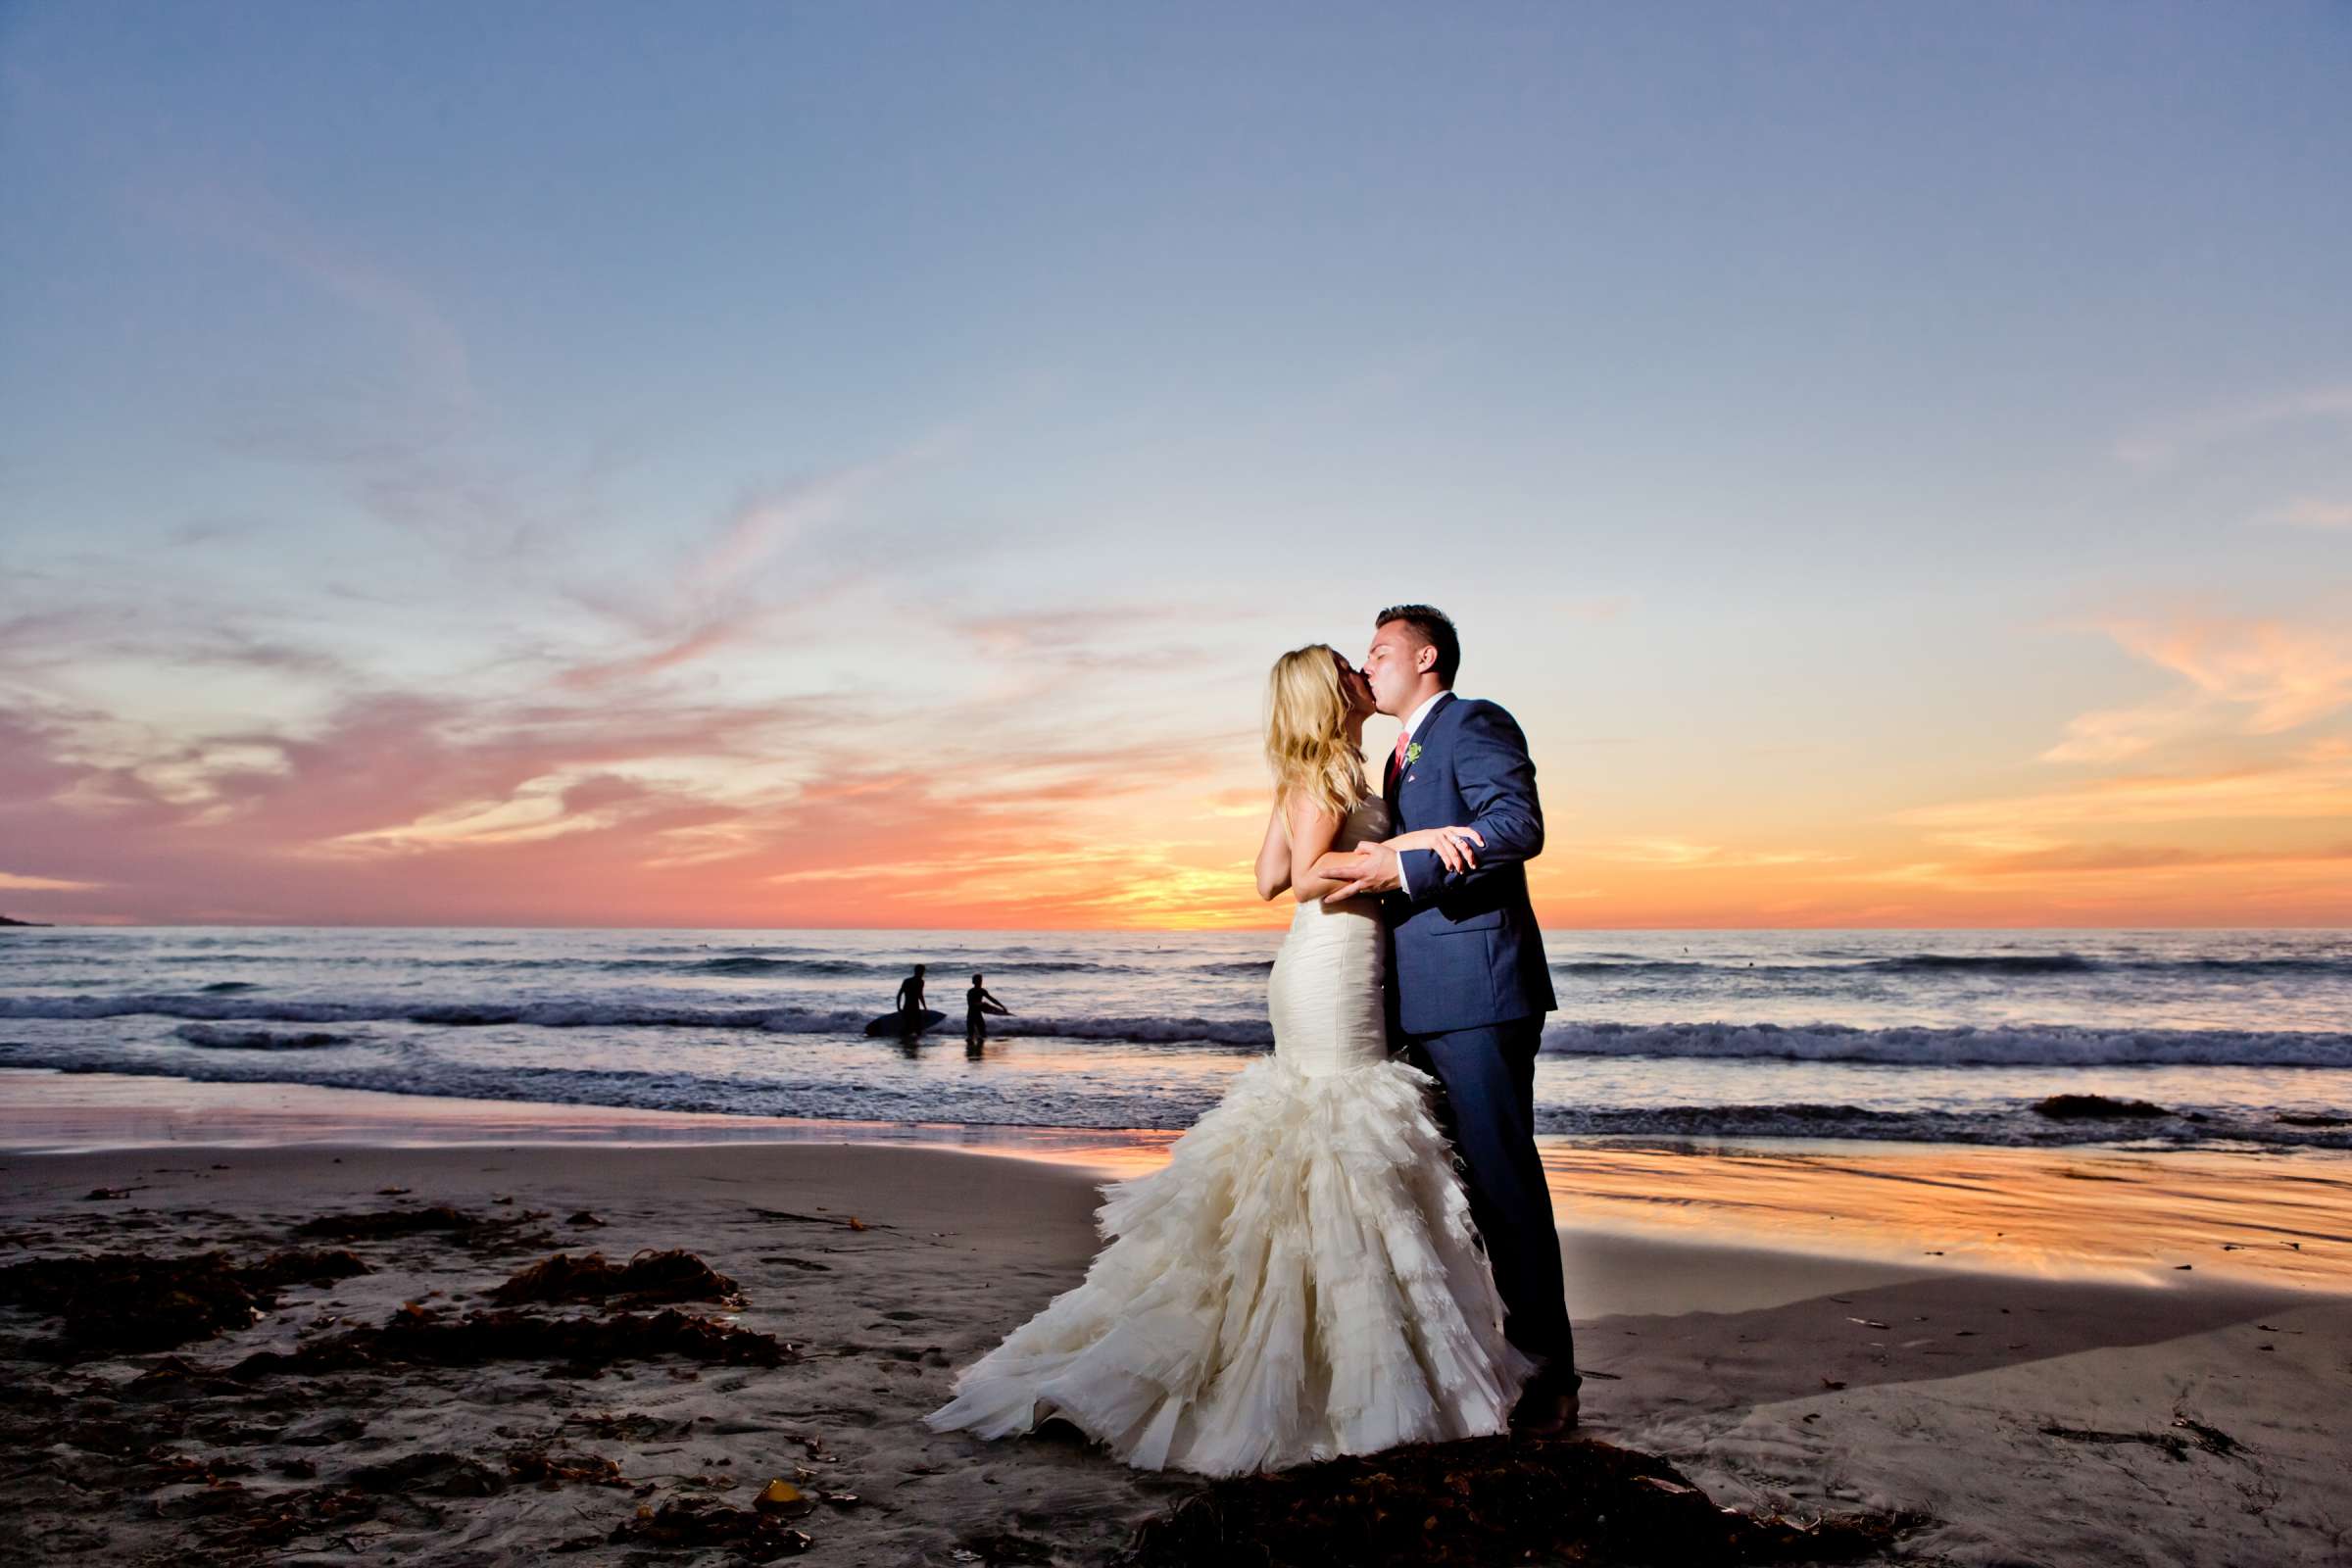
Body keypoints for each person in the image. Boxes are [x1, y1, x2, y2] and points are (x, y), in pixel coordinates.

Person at [925, 643, 1528, 1476]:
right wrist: (1394, 854)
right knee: (1337, 1131)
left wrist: (1363, 833)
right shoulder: (1328, 773)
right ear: (1329, 693)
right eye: (1350, 670)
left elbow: (1262, 876)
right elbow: (1307, 875)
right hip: (1336, 965)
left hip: (1319, 963)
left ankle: (1323, 1330)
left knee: (1327, 1136)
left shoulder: (1315, 769)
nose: (1363, 674)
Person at [1323, 604, 1577, 1434]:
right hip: (1415, 998)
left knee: (1502, 1184)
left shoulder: (1473, 722)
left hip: (1478, 992)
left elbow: (1517, 827)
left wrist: (1410, 860)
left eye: (1380, 651)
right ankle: (1479, 1357)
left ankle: (1548, 1371)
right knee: (1451, 1188)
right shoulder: (1395, 758)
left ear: (1426, 656)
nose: (1368, 666)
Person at [964, 973, 1011, 1048]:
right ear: (974, 982)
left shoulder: (982, 991)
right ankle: (971, 1055)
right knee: (970, 1036)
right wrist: (981, 1004)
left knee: (983, 1034)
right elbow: (970, 1004)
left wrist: (1002, 1006)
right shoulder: (971, 991)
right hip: (971, 1015)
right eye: (978, 980)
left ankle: (977, 1053)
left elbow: (992, 999)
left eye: (980, 980)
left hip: (978, 1015)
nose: (980, 982)